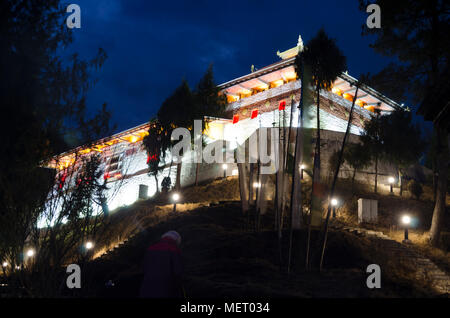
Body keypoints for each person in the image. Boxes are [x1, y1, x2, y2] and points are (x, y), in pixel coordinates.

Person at [139, 230, 183, 298]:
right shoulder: (174, 249)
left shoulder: (151, 248)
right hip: (166, 288)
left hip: (147, 286)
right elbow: (178, 271)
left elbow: (144, 268)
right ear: (176, 240)